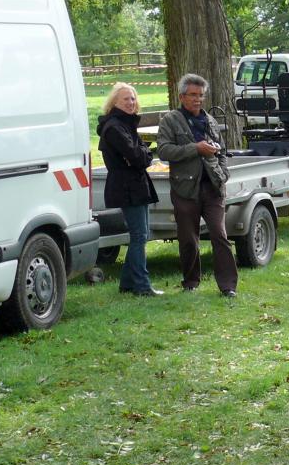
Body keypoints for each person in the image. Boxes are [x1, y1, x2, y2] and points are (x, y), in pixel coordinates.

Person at [157, 73, 238, 297]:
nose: (198, 99)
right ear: (182, 96)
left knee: (220, 236)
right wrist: (195, 148)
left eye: (201, 95)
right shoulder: (170, 120)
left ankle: (228, 286)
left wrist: (223, 173)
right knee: (188, 240)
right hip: (185, 190)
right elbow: (163, 151)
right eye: (193, 95)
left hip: (212, 188)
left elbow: (221, 151)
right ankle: (191, 282)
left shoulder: (210, 121)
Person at [97, 82, 161, 297]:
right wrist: (142, 155)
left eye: (133, 98)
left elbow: (140, 154)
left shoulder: (126, 124)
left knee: (140, 235)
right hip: (127, 187)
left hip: (135, 184)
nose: (131, 102)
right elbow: (137, 156)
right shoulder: (114, 127)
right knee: (139, 236)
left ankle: (127, 284)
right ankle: (141, 286)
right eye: (126, 99)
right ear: (114, 102)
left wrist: (141, 155)